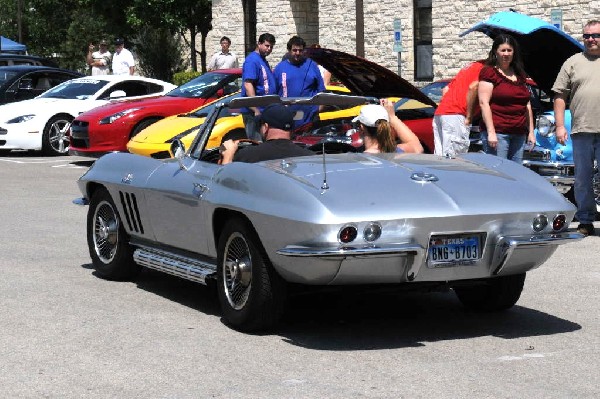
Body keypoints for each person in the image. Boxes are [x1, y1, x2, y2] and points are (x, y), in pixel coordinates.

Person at [552, 20, 600, 236]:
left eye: (596, 35)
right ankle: (586, 220)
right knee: (582, 177)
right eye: (587, 36)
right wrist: (560, 125)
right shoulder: (572, 62)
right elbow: (560, 95)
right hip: (581, 129)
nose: (591, 39)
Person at [478, 34, 535, 164]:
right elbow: (484, 103)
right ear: (495, 52)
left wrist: (530, 132)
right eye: (503, 50)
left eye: (509, 50)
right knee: (499, 173)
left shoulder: (519, 74)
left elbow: (527, 105)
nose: (506, 54)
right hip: (498, 133)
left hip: (519, 133)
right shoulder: (489, 73)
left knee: (516, 174)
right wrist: (491, 133)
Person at [221, 103, 313, 164]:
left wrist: (228, 155)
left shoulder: (247, 156)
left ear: (265, 127)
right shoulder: (310, 157)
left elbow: (224, 184)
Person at [432, 60, 484, 156]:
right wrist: (469, 116)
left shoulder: (471, 66)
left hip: (441, 112)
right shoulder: (486, 68)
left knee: (440, 158)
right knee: (455, 159)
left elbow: (445, 89)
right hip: (457, 114)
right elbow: (473, 87)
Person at [273, 36, 325, 128]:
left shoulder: (311, 65)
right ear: (289, 50)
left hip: (310, 120)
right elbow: (273, 94)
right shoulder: (280, 68)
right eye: (294, 50)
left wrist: (318, 109)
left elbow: (321, 90)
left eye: (300, 50)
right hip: (287, 120)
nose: (298, 53)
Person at [240, 33, 277, 141]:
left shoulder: (262, 60)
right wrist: (255, 108)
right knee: (257, 142)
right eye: (267, 45)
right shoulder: (252, 60)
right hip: (254, 113)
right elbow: (248, 84)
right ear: (259, 44)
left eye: (271, 47)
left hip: (264, 110)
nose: (269, 49)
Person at [353, 99, 424, 154]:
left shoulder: (358, 162)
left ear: (362, 128)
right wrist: (392, 117)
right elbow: (416, 146)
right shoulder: (397, 152)